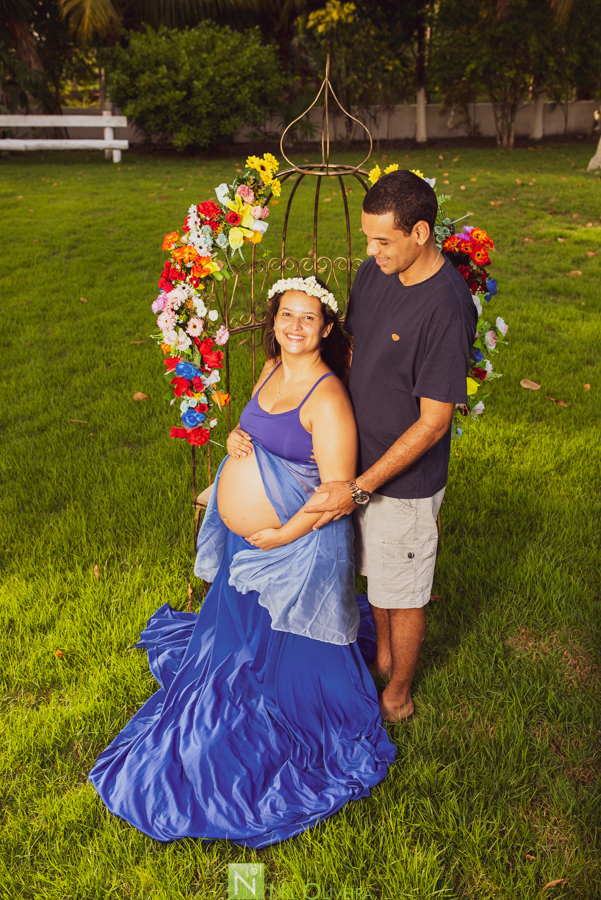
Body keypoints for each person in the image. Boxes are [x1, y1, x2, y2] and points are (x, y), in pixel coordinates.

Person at [89, 275, 395, 847]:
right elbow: (253, 428)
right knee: (228, 655)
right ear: (273, 321)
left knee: (275, 686)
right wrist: (233, 437)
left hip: (295, 550)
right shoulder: (272, 370)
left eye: (308, 318)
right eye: (286, 316)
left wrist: (280, 538)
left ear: (327, 329)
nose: (295, 327)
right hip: (247, 548)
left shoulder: (328, 399)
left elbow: (336, 492)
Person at [305, 170, 477, 724]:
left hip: (401, 482)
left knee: (403, 593)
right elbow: (356, 348)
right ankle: (381, 658)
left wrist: (361, 487)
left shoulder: (446, 308)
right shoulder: (375, 272)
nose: (371, 251)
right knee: (377, 579)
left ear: (420, 232)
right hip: (358, 457)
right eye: (367, 238)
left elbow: (432, 425)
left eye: (384, 240)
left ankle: (398, 694)